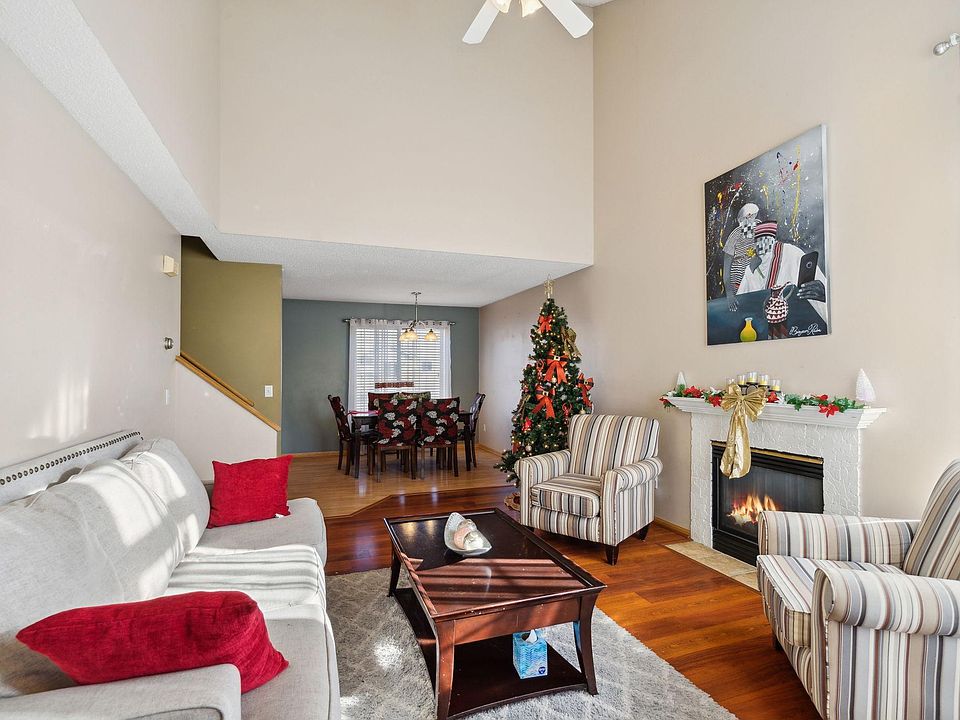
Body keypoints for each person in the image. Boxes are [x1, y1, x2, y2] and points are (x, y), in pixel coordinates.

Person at [736, 221, 828, 322]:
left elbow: (823, 293)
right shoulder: (751, 268)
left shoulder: (792, 254)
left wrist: (825, 295)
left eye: (765, 239)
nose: (761, 244)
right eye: (758, 240)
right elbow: (741, 303)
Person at [722, 203, 759, 311]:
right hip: (737, 287)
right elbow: (726, 269)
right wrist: (729, 294)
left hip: (756, 285)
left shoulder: (761, 230)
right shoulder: (735, 235)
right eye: (751, 216)